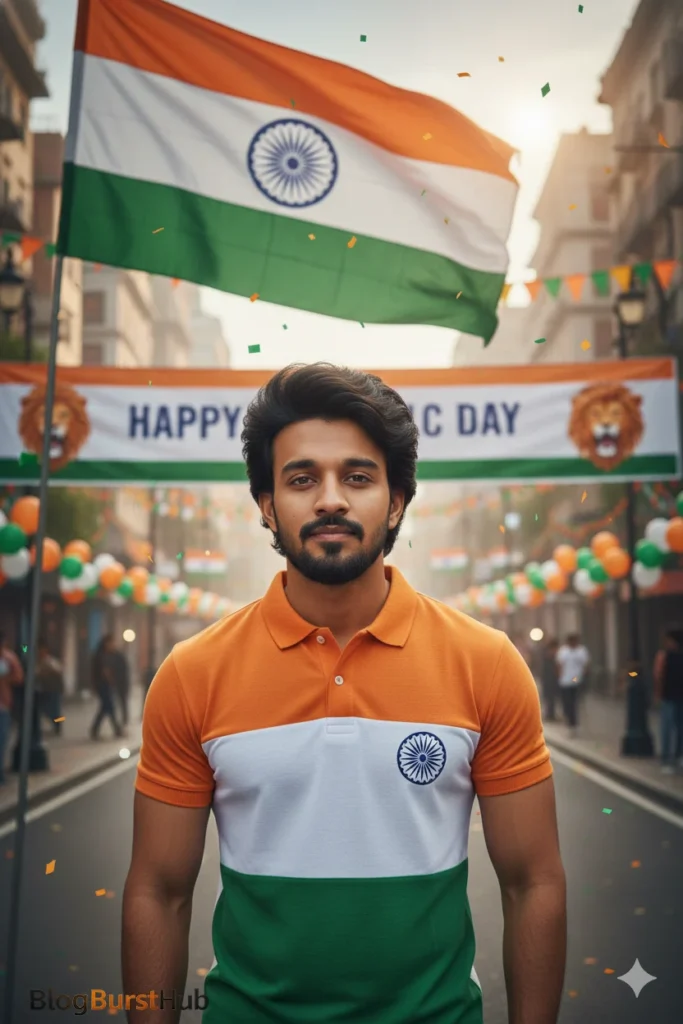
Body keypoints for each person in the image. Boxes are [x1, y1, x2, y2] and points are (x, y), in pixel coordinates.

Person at [123, 363, 567, 1024]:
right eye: (301, 479)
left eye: (357, 477)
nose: (330, 499)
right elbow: (157, 892)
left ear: (394, 502)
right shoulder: (193, 672)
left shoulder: (485, 662)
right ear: (267, 506)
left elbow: (533, 883)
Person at [653, 628, 683, 775]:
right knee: (675, 729)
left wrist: (658, 694)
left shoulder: (663, 656)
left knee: (669, 729)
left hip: (669, 696)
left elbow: (658, 676)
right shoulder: (665, 656)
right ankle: (673, 758)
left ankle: (670, 759)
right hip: (671, 696)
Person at [0, 631, 23, 785]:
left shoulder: (9, 658)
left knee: (2, 741)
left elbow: (19, 677)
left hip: (3, 705)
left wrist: (6, 678)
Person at [90, 635, 123, 741]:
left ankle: (96, 729)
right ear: (106, 643)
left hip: (105, 685)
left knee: (106, 708)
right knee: (108, 707)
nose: (113, 645)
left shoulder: (110, 655)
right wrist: (111, 681)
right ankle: (116, 729)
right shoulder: (102, 656)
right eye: (112, 643)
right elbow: (105, 672)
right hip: (103, 685)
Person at [556, 633, 590, 737]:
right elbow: (559, 665)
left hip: (576, 680)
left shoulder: (581, 651)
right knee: (567, 703)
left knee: (574, 703)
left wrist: (583, 676)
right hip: (565, 681)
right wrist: (560, 676)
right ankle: (570, 721)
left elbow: (586, 664)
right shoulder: (563, 651)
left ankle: (574, 724)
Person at [35, 638, 65, 736]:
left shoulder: (51, 661)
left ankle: (59, 725)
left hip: (54, 689)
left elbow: (59, 670)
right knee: (47, 709)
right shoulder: (39, 662)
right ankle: (57, 724)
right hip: (45, 689)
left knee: (55, 709)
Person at [541, 638, 560, 721]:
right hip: (549, 680)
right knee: (549, 698)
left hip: (552, 680)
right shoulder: (548, 656)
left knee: (551, 698)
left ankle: (551, 714)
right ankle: (549, 714)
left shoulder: (554, 656)